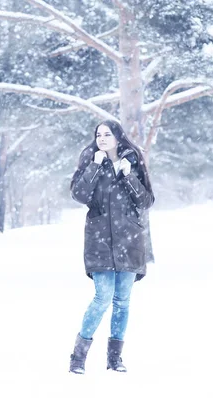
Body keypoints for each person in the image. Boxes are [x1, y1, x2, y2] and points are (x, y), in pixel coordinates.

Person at [68, 120, 155, 374]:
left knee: (123, 301)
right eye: (98, 134)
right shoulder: (90, 160)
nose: (102, 138)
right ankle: (78, 358)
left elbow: (146, 200)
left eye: (107, 134)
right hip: (99, 240)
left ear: (118, 137)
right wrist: (95, 166)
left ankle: (114, 359)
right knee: (103, 296)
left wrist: (128, 175)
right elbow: (79, 195)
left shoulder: (132, 161)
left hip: (129, 240)